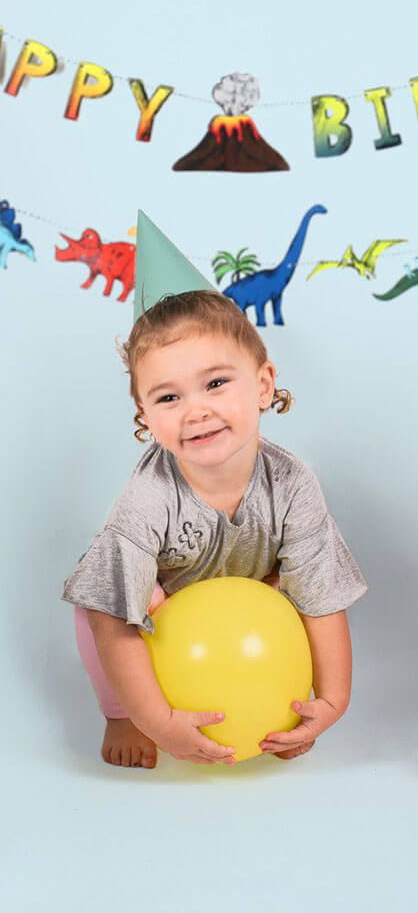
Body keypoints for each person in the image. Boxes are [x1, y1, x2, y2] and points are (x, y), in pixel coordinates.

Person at [63, 288, 366, 769]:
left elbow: (321, 594)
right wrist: (154, 720)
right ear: (145, 416)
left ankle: (267, 707)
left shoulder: (291, 483)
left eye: (216, 383)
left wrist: (331, 701)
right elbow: (115, 620)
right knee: (99, 604)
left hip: (245, 603)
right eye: (168, 397)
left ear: (263, 384)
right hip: (158, 609)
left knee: (290, 590)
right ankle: (119, 711)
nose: (195, 410)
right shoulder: (149, 498)